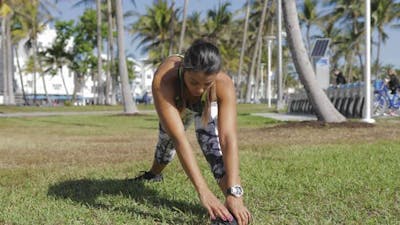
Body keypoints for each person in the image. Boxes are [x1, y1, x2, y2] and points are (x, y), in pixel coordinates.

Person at [131, 40, 251, 225]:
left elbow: (227, 138)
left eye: (207, 83)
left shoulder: (223, 83)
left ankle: (230, 207)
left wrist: (235, 191)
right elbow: (180, 140)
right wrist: (203, 191)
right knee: (166, 144)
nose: (199, 89)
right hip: (177, 102)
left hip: (204, 107)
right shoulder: (163, 81)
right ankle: (153, 174)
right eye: (194, 82)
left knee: (212, 147)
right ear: (184, 70)